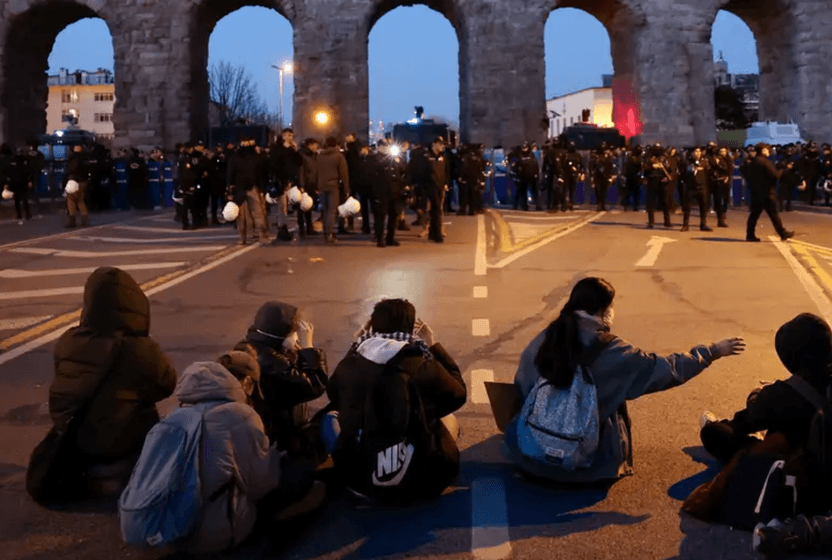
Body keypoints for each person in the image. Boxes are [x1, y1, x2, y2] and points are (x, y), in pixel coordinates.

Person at [503, 277, 745, 483]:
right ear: (603, 311)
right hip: (587, 469)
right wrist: (712, 351)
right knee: (612, 402)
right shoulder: (614, 352)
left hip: (529, 456)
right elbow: (667, 369)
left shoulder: (547, 337)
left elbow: (522, 385)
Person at [33, 267, 177, 502]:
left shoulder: (68, 340)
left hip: (72, 444)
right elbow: (167, 385)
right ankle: (144, 474)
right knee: (154, 410)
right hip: (119, 448)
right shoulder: (139, 348)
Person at [173, 354, 325, 554]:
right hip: (212, 532)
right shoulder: (239, 415)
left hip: (171, 525)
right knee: (303, 474)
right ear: (246, 381)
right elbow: (262, 484)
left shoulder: (178, 414)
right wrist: (270, 457)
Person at [325, 298, 466, 503]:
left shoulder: (352, 362)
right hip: (420, 483)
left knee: (330, 418)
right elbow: (457, 395)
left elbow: (334, 396)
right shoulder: (420, 363)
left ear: (372, 327)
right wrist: (433, 344)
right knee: (448, 419)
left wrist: (357, 344)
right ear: (411, 329)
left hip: (359, 482)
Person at [234, 302, 329, 460]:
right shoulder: (271, 364)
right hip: (279, 443)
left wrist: (294, 352)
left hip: (264, 433)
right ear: (282, 335)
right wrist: (308, 348)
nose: (297, 336)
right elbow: (315, 384)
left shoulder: (250, 346)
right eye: (295, 332)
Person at [746, 143, 794, 242]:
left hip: (756, 192)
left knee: (754, 215)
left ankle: (750, 234)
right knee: (773, 214)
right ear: (763, 150)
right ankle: (782, 233)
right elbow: (776, 175)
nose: (769, 152)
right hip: (767, 193)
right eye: (768, 150)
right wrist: (783, 169)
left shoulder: (753, 162)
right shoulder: (765, 162)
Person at [227, 137, 271, 245]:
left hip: (247, 187)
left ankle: (247, 237)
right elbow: (230, 174)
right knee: (248, 215)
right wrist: (229, 189)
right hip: (243, 188)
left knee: (255, 214)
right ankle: (249, 237)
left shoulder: (240, 157)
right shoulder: (248, 157)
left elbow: (259, 172)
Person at [316, 137, 350, 243]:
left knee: (325, 210)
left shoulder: (320, 156)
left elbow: (316, 171)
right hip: (333, 186)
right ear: (336, 145)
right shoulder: (339, 156)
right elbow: (344, 174)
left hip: (321, 185)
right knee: (332, 211)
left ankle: (325, 232)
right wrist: (346, 189)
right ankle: (331, 233)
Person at [64, 144, 91, 228]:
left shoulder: (73, 159)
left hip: (74, 181)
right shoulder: (86, 158)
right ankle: (84, 219)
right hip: (83, 181)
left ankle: (72, 220)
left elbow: (70, 170)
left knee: (71, 201)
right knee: (80, 201)